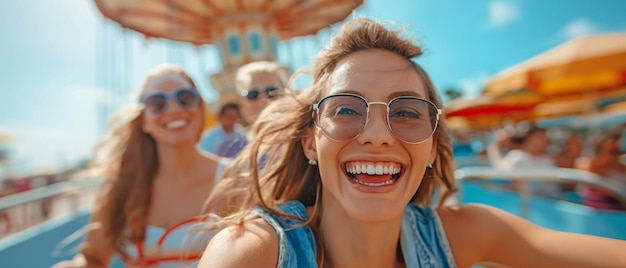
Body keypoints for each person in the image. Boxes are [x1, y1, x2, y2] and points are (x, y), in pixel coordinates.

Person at [198, 18, 626, 268]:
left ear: (432, 146)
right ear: (310, 143)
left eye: (405, 112)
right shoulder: (253, 251)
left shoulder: (466, 232)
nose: (378, 134)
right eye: (346, 109)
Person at [53, 64, 227, 268]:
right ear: (144, 121)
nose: (173, 108)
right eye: (157, 102)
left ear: (200, 109)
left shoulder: (235, 179)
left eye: (185, 97)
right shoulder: (122, 186)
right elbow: (94, 258)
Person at [581, 127, 626, 210]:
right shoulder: (589, 166)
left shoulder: (622, 167)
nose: (617, 156)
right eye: (613, 151)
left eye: (620, 151)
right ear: (601, 150)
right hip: (601, 214)